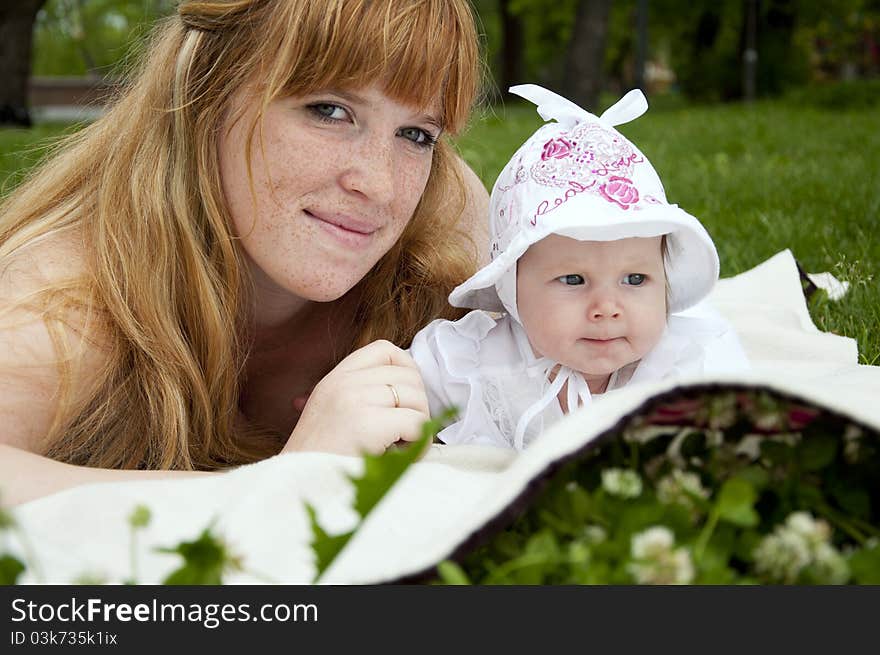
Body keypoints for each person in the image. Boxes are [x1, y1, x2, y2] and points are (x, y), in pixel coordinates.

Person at [0, 0, 489, 505]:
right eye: (329, 110)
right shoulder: (73, 290)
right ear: (206, 92)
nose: (381, 186)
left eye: (416, 135)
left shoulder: (442, 229)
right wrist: (284, 484)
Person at [409, 85, 750, 450]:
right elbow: (400, 402)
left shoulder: (687, 363)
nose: (606, 308)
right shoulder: (471, 367)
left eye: (635, 279)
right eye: (573, 279)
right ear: (512, 287)